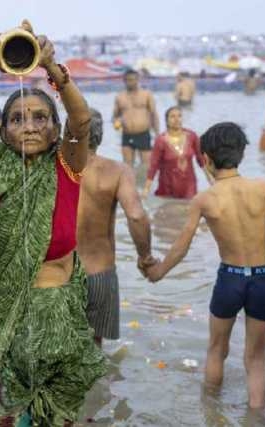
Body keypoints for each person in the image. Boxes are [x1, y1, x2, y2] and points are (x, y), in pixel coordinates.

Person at [0, 21, 105, 425]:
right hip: (8, 321)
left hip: (63, 315)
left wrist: (51, 66)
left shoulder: (66, 165)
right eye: (16, 119)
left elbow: (81, 120)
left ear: (55, 131)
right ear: (2, 131)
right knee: (6, 417)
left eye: (40, 118)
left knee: (62, 417)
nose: (29, 126)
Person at [145, 122, 265, 409]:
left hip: (230, 280)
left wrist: (158, 272)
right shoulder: (262, 188)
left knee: (217, 350)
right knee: (256, 359)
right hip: (263, 279)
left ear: (206, 159)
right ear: (241, 153)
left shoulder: (204, 199)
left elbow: (181, 246)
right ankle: (255, 417)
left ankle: (210, 412)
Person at [78, 109, 155, 345]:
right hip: (100, 274)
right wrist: (145, 257)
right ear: (100, 136)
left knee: (56, 350)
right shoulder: (117, 171)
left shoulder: (52, 169)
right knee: (93, 350)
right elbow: (136, 216)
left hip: (58, 275)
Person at [143, 106, 205, 199]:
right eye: (172, 116)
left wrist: (211, 179)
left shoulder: (192, 136)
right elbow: (153, 165)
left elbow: (201, 159)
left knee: (189, 206)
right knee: (168, 207)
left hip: (189, 185)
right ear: (166, 120)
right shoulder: (161, 140)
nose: (176, 119)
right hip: (167, 186)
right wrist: (146, 189)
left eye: (179, 116)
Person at [113, 69, 159, 167]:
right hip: (127, 134)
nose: (131, 82)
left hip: (143, 134)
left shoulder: (146, 94)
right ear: (124, 81)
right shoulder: (120, 97)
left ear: (138, 80)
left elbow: (154, 114)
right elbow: (115, 116)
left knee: (146, 166)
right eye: (128, 80)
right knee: (127, 166)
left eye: (133, 80)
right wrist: (116, 123)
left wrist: (157, 134)